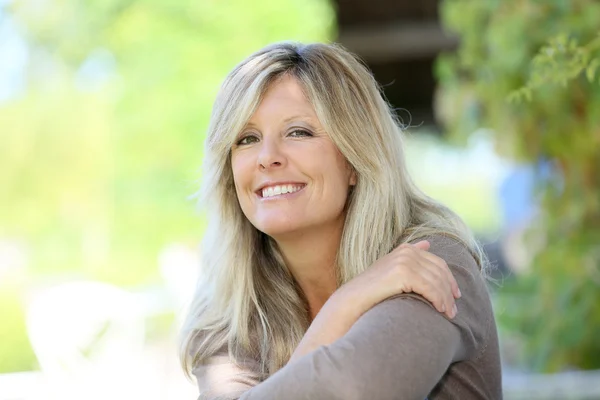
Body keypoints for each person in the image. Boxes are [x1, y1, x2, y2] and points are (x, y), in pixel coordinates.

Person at [179, 42, 502, 399]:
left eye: (298, 132)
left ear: (353, 158)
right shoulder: (232, 307)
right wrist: (345, 304)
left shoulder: (430, 263)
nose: (267, 157)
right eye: (247, 139)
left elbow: (351, 389)